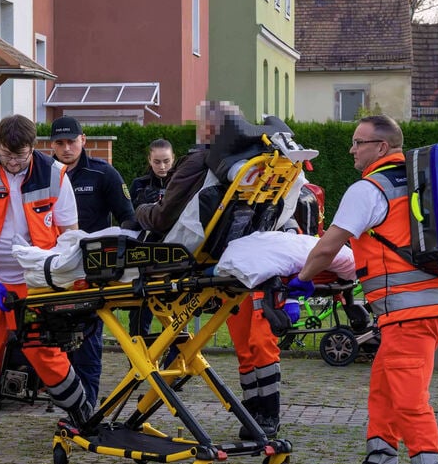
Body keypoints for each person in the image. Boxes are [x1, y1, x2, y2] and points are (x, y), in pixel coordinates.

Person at [291, 115, 438, 464]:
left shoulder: (369, 188)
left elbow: (330, 244)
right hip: (431, 304)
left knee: (408, 400)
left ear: (380, 148)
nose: (351, 149)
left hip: (407, 311)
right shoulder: (415, 185)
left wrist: (301, 279)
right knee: (384, 392)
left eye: (358, 142)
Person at [133, 101, 285, 439]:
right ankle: (259, 418)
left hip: (194, 257)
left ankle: (262, 417)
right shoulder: (263, 167)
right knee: (250, 343)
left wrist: (139, 212)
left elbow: (162, 217)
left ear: (208, 130)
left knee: (253, 342)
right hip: (244, 257)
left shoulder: (199, 162)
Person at [0, 114, 93, 460]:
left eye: (20, 156)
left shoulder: (55, 174)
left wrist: (66, 285)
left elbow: (69, 236)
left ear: (34, 148)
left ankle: (83, 417)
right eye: (6, 155)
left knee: (46, 353)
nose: (12, 163)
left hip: (35, 283)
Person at [51, 116, 135, 407]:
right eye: (59, 143)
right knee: (57, 343)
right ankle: (68, 401)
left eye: (71, 141)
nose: (66, 148)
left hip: (90, 272)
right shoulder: (44, 175)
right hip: (54, 271)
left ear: (83, 140)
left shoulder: (103, 174)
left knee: (87, 343)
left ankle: (87, 407)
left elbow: (128, 218)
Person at [128, 138, 175, 338]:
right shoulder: (139, 184)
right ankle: (138, 364)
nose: (162, 166)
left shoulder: (181, 182)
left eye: (166, 161)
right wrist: (141, 206)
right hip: (144, 257)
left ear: (173, 159)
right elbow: (127, 222)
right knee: (139, 314)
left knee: (175, 316)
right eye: (157, 161)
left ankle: (176, 365)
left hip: (173, 254)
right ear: (149, 160)